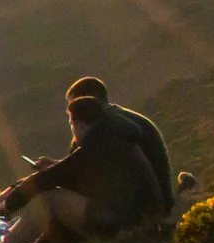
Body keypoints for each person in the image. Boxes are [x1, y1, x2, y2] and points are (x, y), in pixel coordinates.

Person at [0, 85, 168, 243]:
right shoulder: (111, 134)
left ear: (79, 124)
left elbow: (56, 175)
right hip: (131, 215)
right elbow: (74, 171)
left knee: (48, 199)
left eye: (71, 124)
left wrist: (13, 200)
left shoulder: (100, 143)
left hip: (127, 223)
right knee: (50, 198)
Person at [66, 76, 175, 213]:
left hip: (143, 211)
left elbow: (82, 170)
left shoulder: (108, 128)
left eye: (74, 106)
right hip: (157, 203)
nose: (72, 115)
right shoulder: (120, 120)